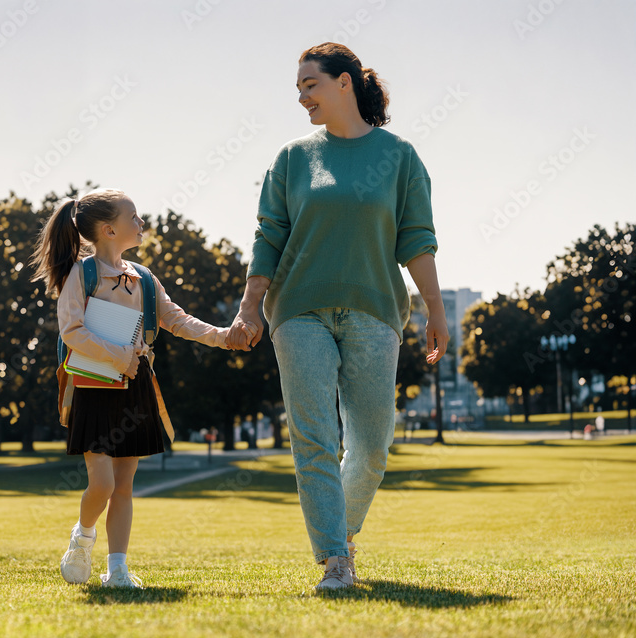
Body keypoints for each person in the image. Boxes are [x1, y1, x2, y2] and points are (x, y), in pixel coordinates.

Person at [228, 42, 449, 592]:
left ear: (345, 82)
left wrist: (435, 312)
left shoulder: (399, 157)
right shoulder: (292, 158)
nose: (303, 98)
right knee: (315, 438)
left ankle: (340, 534)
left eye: (312, 85)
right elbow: (268, 237)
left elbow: (416, 239)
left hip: (375, 309)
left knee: (372, 446)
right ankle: (334, 559)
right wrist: (250, 305)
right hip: (297, 308)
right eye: (299, 89)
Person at [30, 188, 251, 588]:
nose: (141, 223)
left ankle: (117, 569)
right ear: (109, 229)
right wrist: (120, 356)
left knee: (124, 487)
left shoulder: (144, 278)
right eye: (134, 217)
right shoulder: (82, 275)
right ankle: (82, 537)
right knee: (103, 484)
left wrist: (224, 336)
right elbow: (72, 332)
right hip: (95, 387)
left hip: (135, 387)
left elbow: (178, 320)